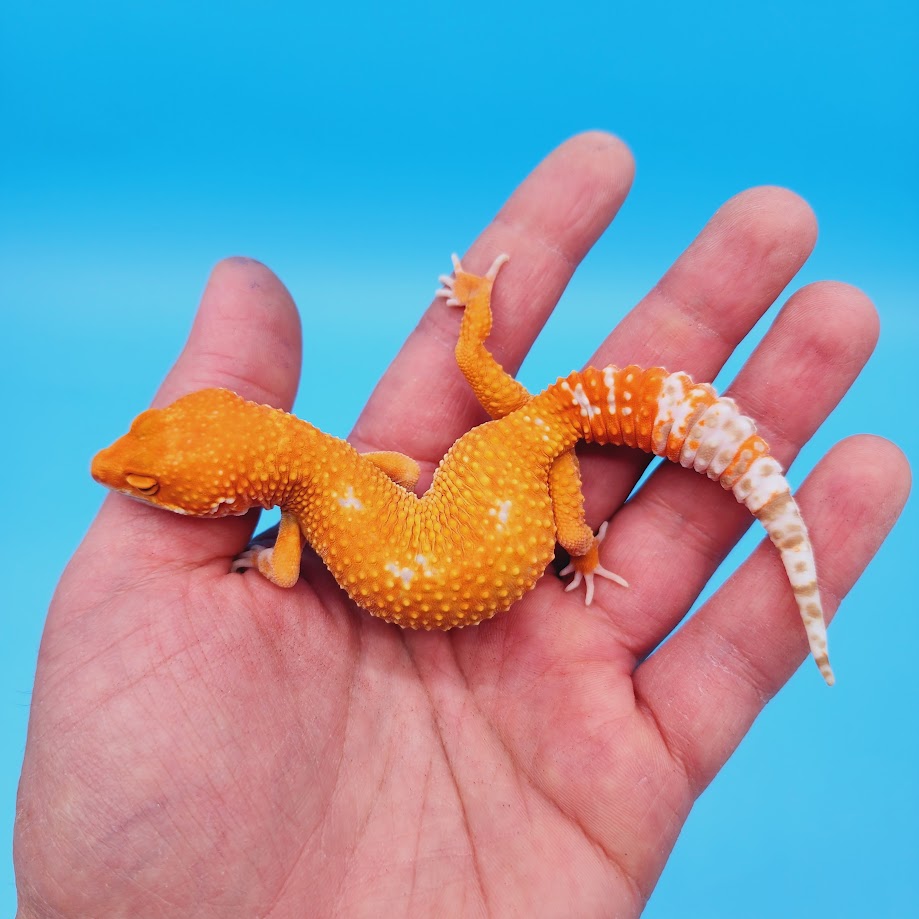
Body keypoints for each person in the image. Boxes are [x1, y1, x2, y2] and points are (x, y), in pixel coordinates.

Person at [14, 132, 909, 917]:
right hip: (518, 447)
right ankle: (513, 355)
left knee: (567, 533)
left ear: (231, 495)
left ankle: (642, 530)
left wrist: (264, 559)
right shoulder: (327, 467)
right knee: (524, 458)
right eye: (146, 469)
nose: (115, 473)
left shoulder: (302, 507)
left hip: (529, 459)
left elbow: (293, 567)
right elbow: (394, 471)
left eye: (147, 477)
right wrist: (474, 317)